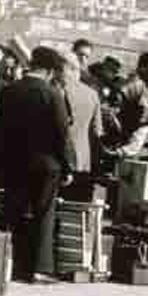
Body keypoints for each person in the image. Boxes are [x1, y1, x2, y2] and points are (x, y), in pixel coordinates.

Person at [0, 46, 75, 283]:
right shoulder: (51, 94)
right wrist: (68, 166)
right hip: (46, 165)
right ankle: (39, 269)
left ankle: (5, 263)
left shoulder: (10, 90)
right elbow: (62, 134)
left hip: (14, 162)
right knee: (43, 215)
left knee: (12, 210)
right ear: (49, 71)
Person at [57, 49, 102, 202]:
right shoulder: (92, 94)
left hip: (56, 158)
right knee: (74, 210)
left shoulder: (54, 92)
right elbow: (97, 131)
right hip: (82, 160)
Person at [118, 51, 148, 157]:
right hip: (132, 136)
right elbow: (145, 113)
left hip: (141, 139)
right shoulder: (135, 84)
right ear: (142, 68)